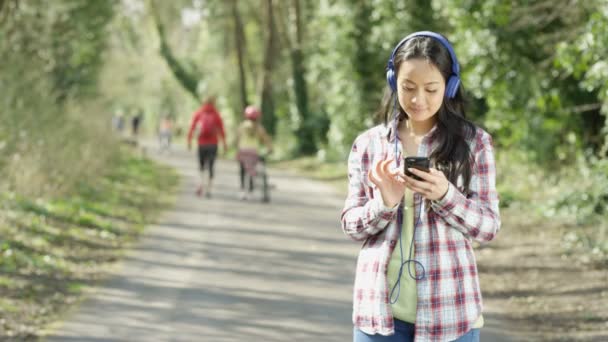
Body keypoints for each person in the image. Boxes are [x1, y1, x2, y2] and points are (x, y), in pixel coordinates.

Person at [341, 31, 501, 342]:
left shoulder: (474, 144)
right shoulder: (369, 144)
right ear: (393, 82)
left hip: (451, 314)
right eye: (408, 88)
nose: (418, 100)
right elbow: (351, 226)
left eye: (431, 89)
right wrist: (383, 204)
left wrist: (445, 195)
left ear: (449, 87)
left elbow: (489, 227)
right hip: (379, 315)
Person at [187, 95, 227, 198]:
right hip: (213, 144)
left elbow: (192, 127)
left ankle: (200, 184)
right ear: (213, 103)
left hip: (201, 144)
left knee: (201, 166)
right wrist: (224, 143)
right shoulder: (216, 114)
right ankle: (209, 190)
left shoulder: (199, 113)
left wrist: (189, 141)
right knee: (211, 167)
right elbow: (221, 130)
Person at [235, 105, 272, 200]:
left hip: (243, 151)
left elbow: (238, 139)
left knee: (243, 171)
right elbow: (266, 140)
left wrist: (237, 150)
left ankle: (243, 191)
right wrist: (270, 149)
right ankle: (251, 190)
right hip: (253, 153)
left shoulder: (242, 126)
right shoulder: (259, 128)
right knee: (252, 170)